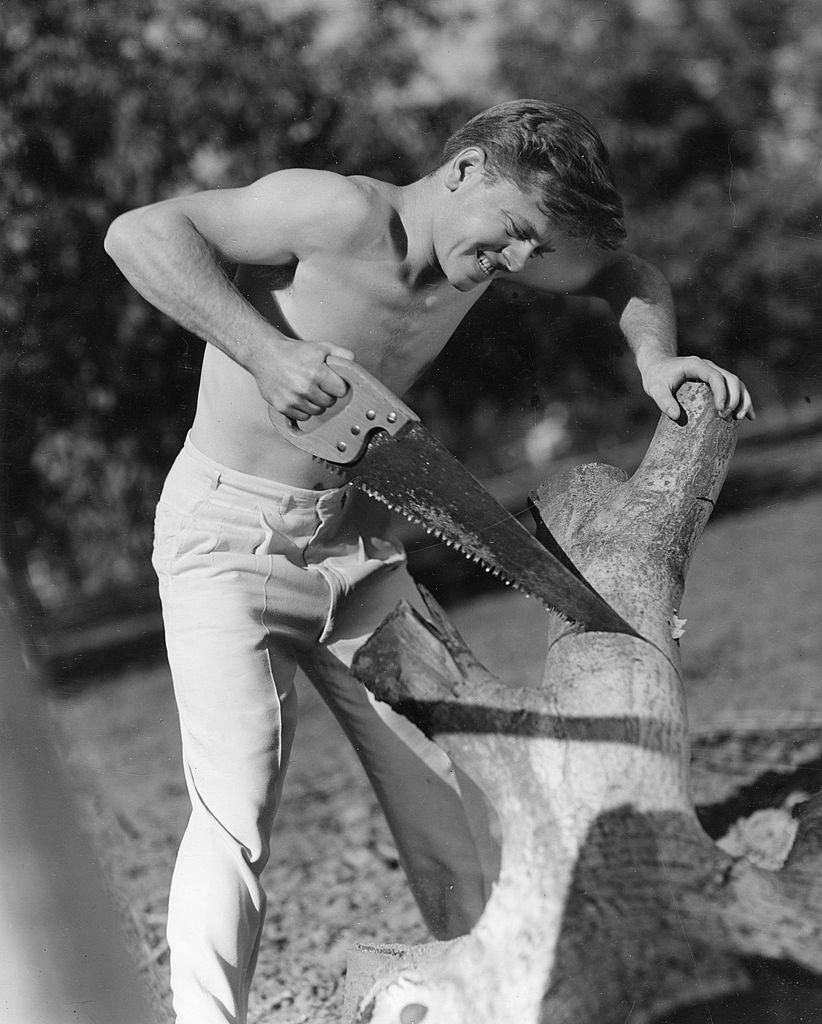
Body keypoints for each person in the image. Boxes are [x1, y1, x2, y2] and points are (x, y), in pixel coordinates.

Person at [104, 98, 754, 1023]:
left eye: (537, 248)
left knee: (449, 794)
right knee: (236, 814)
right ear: (464, 172)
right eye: (517, 234)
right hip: (226, 540)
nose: (521, 265)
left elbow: (628, 272)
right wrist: (265, 351)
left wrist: (657, 365)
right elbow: (139, 234)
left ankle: (490, 1000)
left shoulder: (490, 246)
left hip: (359, 543)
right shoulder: (335, 213)